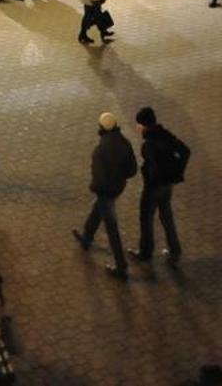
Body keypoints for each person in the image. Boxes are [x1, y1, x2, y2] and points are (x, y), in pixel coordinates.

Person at [73, 112, 137, 279]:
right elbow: (132, 170)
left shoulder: (100, 150)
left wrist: (94, 188)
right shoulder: (125, 143)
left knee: (111, 227)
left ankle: (121, 266)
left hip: (105, 191)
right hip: (118, 187)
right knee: (98, 210)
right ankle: (87, 237)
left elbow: (98, 178)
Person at [131, 106, 189, 266]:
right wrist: (177, 172)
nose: (137, 128)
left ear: (144, 125)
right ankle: (175, 251)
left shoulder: (148, 145)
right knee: (167, 217)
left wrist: (152, 176)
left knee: (146, 218)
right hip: (167, 185)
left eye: (139, 125)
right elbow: (185, 151)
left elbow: (153, 168)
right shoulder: (165, 134)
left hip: (153, 188)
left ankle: (145, 252)